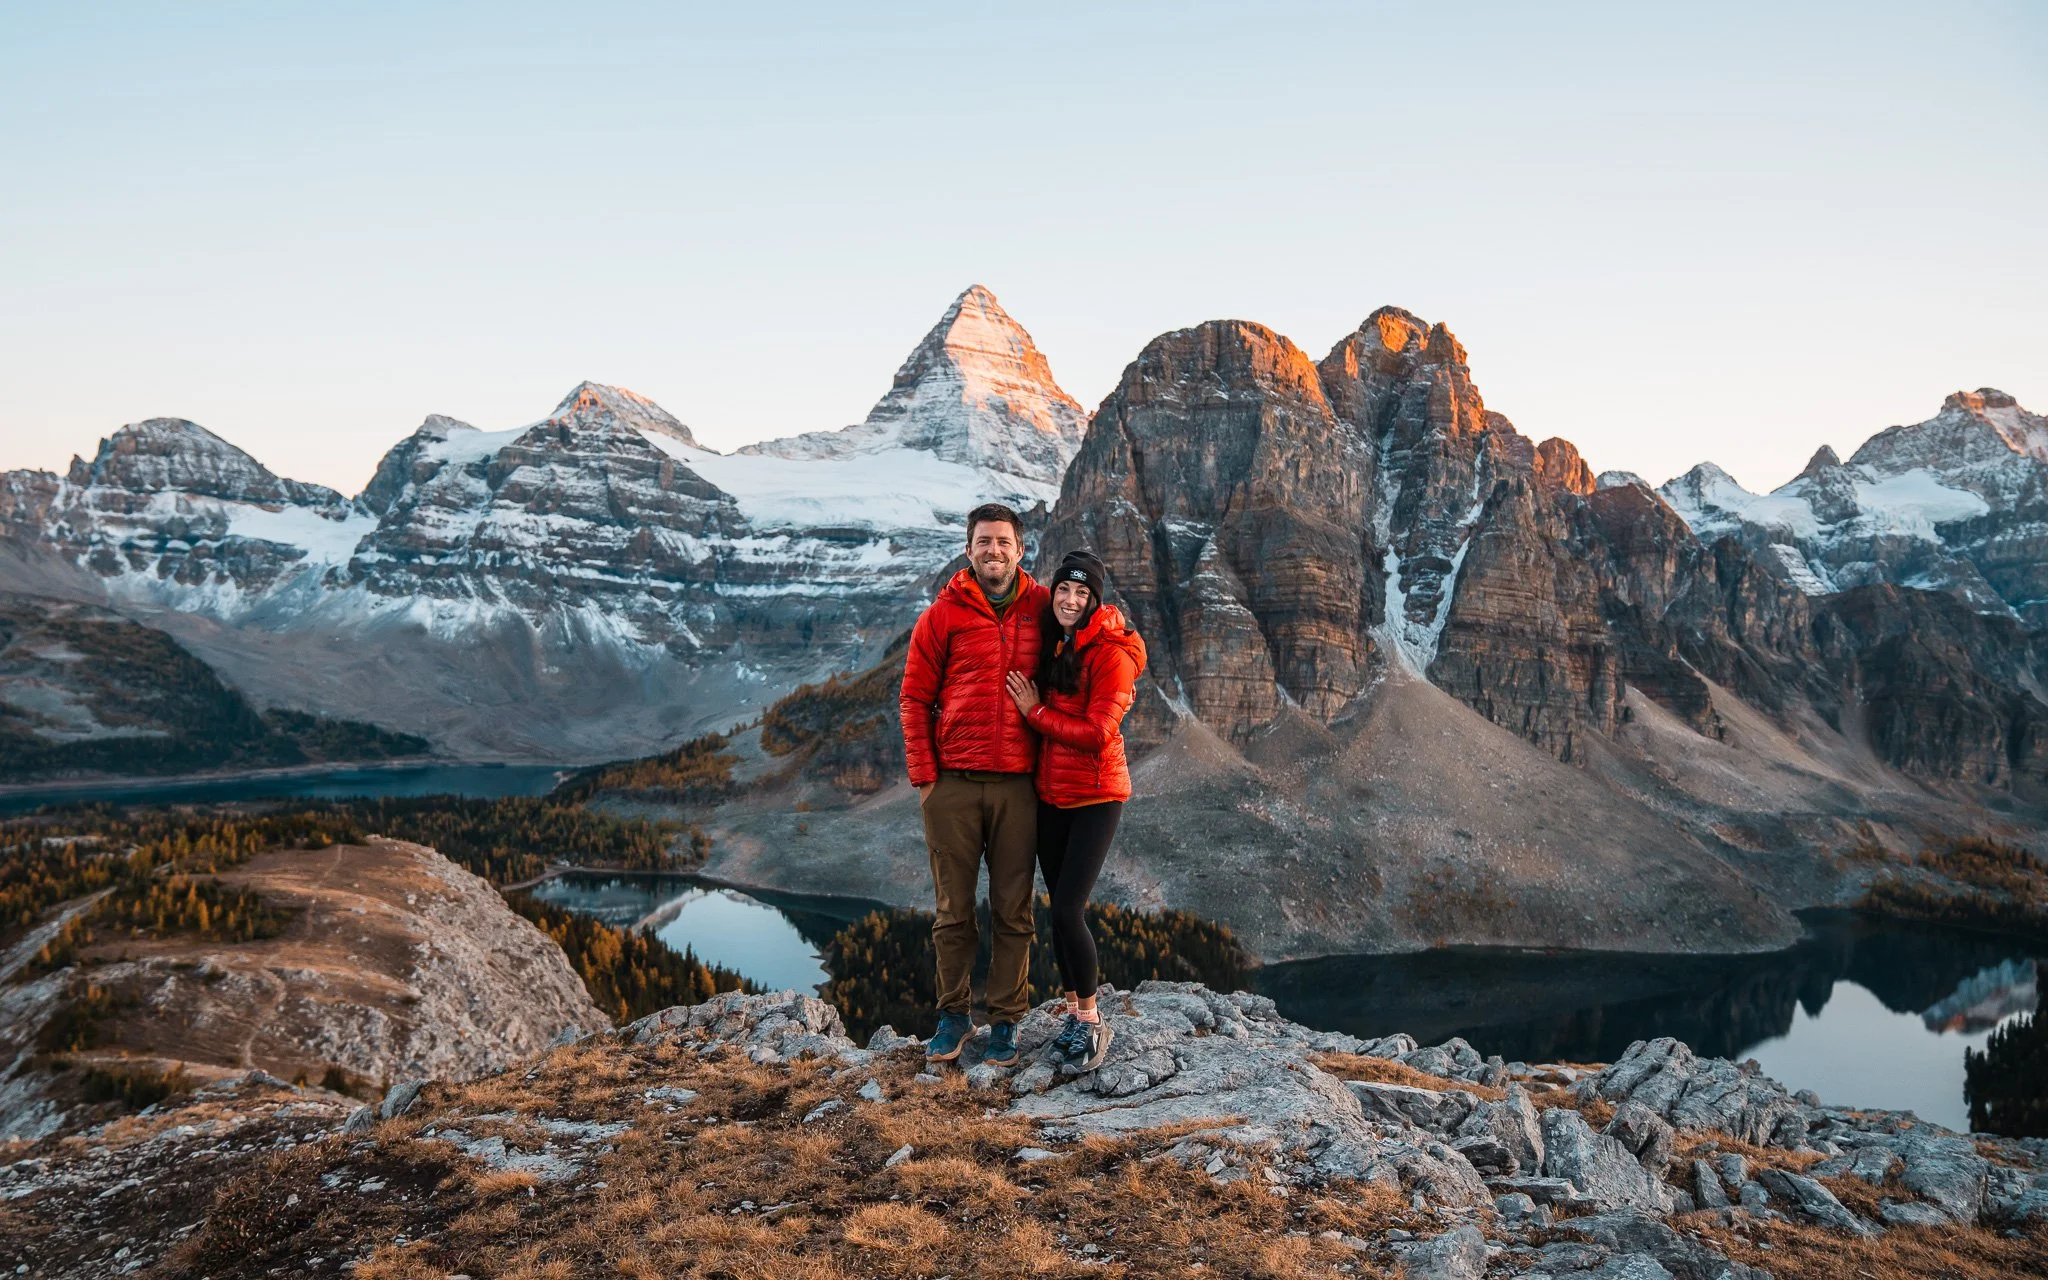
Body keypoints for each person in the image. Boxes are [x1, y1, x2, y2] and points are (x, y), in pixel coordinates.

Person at [899, 502, 1049, 1065]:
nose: (994, 551)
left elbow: (1099, 638)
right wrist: (925, 779)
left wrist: (1125, 636)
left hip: (1019, 787)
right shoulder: (942, 615)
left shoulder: (1041, 606)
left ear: (1020, 549)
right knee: (953, 911)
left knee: (1015, 910)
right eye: (983, 542)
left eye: (1003, 542)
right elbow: (914, 698)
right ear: (969, 549)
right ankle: (953, 1016)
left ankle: (1007, 1021)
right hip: (953, 785)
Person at [1004, 549, 1145, 1075]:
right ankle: (1070, 1012)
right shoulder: (1060, 639)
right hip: (1051, 795)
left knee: (1068, 910)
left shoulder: (1112, 652)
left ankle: (1090, 1021)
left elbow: (1097, 733)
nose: (1069, 599)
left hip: (1095, 795)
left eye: (1081, 593)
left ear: (1094, 601)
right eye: (1063, 589)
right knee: (1056, 913)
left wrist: (1034, 712)